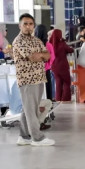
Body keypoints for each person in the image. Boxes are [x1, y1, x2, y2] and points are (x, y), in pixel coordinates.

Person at [12, 14, 54, 147]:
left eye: (30, 24)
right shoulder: (18, 41)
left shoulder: (36, 40)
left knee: (29, 109)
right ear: (20, 26)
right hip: (27, 80)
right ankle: (37, 138)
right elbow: (32, 57)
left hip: (39, 78)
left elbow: (48, 55)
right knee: (31, 111)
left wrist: (41, 55)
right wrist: (41, 55)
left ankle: (23, 136)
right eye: (25, 24)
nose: (28, 26)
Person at [48, 29, 73, 101]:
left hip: (54, 67)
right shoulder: (62, 43)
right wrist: (72, 49)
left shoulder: (50, 43)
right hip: (63, 66)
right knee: (66, 82)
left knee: (58, 83)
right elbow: (69, 50)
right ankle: (65, 99)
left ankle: (58, 98)